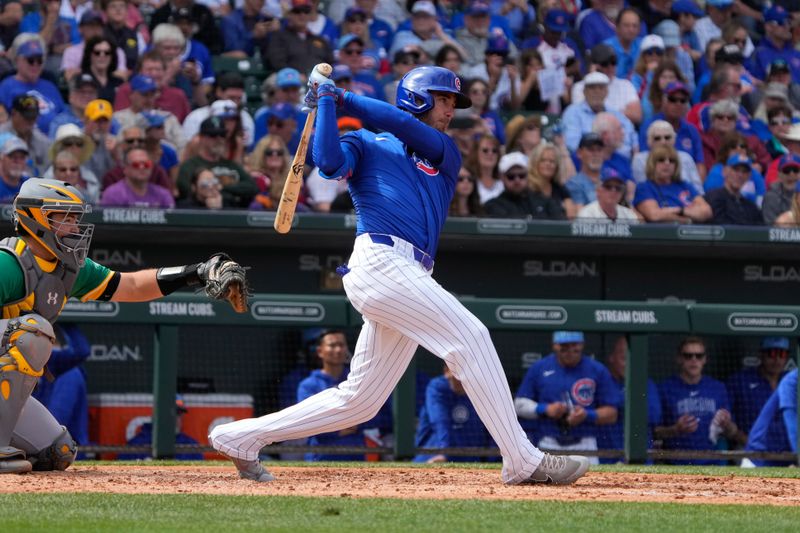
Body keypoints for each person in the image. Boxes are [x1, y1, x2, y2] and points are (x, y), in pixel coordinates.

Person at [209, 65, 591, 485]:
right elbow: (329, 164)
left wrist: (342, 98)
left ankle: (238, 437)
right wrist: (326, 107)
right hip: (381, 261)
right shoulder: (366, 142)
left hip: (410, 272)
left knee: (361, 401)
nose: (450, 110)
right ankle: (521, 458)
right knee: (472, 337)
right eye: (443, 99)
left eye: (452, 102)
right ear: (417, 96)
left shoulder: (443, 150)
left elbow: (400, 124)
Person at [0, 178, 247, 474]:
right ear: (36, 218)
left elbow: (129, 286)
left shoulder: (65, 267)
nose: (75, 228)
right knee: (31, 333)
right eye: (64, 218)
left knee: (57, 452)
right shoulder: (9, 264)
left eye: (75, 219)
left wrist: (196, 272)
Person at [514, 331, 621, 465]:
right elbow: (518, 405)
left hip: (585, 443)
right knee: (546, 483)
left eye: (574, 345)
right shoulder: (540, 368)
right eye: (564, 346)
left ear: (581, 345)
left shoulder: (597, 369)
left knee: (589, 483)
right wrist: (545, 409)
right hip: (548, 441)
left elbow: (612, 414)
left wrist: (586, 415)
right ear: (555, 346)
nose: (570, 350)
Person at [296, 329, 385, 461]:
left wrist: (356, 424)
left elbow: (378, 415)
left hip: (356, 454)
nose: (338, 350)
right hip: (321, 456)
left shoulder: (358, 379)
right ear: (320, 351)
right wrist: (340, 428)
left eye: (341, 345)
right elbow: (308, 421)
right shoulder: (308, 385)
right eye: (332, 345)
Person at [655, 336, 739, 465]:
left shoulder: (717, 388)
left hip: (713, 463)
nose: (694, 360)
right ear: (679, 359)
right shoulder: (665, 389)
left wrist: (726, 424)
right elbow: (655, 432)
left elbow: (733, 432)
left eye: (699, 356)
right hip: (677, 463)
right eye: (688, 356)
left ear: (705, 359)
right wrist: (676, 429)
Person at [596, 336, 660, 463]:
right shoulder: (602, 382)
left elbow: (654, 416)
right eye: (624, 359)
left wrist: (619, 403)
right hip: (606, 457)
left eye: (634, 359)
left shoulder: (646, 383)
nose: (630, 364)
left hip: (640, 458)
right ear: (611, 358)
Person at [727, 337, 790, 463]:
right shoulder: (740, 381)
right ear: (761, 355)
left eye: (781, 354)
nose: (776, 359)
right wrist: (749, 442)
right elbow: (728, 422)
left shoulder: (791, 382)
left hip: (787, 452)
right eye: (771, 354)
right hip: (750, 449)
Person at [414, 363, 494, 463]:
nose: (461, 381)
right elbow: (440, 421)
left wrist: (491, 457)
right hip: (433, 456)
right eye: (457, 375)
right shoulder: (437, 387)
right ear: (446, 371)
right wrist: (444, 451)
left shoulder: (480, 390)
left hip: (470, 460)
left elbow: (491, 426)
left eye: (465, 376)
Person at [176, 117, 258, 208]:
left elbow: (252, 187)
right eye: (213, 135)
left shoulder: (231, 165)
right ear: (202, 138)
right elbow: (186, 190)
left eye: (222, 135)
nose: (219, 139)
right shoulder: (190, 165)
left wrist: (221, 187)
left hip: (232, 212)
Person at [31, 324, 90, 449]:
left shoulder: (60, 366)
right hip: (36, 439)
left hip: (64, 445)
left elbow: (82, 351)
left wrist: (69, 323)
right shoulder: (21, 361)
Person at [0, 34, 65, 135]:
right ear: (17, 60)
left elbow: (62, 114)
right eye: (30, 60)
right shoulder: (6, 86)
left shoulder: (50, 86)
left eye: (39, 60)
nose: (35, 64)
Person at [633, 144, 713, 223]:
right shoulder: (644, 188)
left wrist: (679, 211)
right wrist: (687, 218)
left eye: (671, 160)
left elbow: (706, 211)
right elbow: (654, 215)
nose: (667, 163)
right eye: (661, 160)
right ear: (652, 164)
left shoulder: (685, 185)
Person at [484, 151, 565, 220]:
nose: (517, 180)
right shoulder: (493, 206)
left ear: (528, 175)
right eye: (511, 176)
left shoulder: (545, 202)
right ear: (502, 178)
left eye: (521, 175)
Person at [118, 397, 203, 460]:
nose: (175, 419)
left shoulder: (191, 445)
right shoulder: (135, 445)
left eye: (178, 414)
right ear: (157, 415)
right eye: (168, 414)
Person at [264, 0, 333, 74]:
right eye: (297, 11)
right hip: (290, 81)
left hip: (319, 82)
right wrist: (294, 75)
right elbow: (277, 63)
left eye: (306, 11)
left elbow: (331, 63)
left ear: (309, 15)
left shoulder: (320, 40)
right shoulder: (279, 37)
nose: (302, 15)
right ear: (289, 14)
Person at [100, 148, 175, 208]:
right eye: (136, 164)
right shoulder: (112, 194)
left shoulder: (163, 194)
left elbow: (172, 222)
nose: (142, 167)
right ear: (125, 169)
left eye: (146, 164)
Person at [704, 155, 764, 226]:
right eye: (736, 169)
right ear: (725, 171)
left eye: (744, 171)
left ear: (749, 176)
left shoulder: (750, 206)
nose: (740, 175)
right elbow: (721, 226)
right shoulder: (713, 198)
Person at [0, 94, 50, 175]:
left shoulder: (41, 140)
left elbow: (49, 169)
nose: (30, 122)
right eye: (26, 117)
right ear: (14, 113)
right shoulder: (1, 134)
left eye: (33, 117)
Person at [526, 141, 575, 219]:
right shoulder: (526, 189)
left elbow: (571, 217)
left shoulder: (561, 189)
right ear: (535, 162)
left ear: (557, 166)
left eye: (552, 161)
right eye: (543, 160)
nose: (548, 164)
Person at [47, 73, 101, 139]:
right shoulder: (60, 122)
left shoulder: (105, 118)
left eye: (91, 92)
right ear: (70, 96)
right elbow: (53, 147)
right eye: (82, 92)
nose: (87, 96)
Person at [763, 154, 800, 225]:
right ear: (779, 174)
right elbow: (770, 229)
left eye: (795, 170)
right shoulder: (771, 197)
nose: (791, 174)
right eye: (787, 170)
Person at [0, 137, 31, 203]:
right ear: (2, 159)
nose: (17, 161)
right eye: (12, 156)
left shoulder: (29, 185)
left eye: (22, 157)